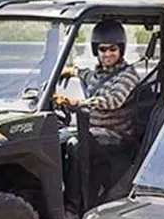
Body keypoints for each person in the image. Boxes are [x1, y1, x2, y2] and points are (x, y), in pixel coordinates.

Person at [53, 20, 144, 207]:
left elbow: (113, 100)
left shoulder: (128, 75)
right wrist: (70, 71)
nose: (107, 54)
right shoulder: (98, 74)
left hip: (118, 136)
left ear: (121, 50)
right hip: (95, 131)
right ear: (96, 50)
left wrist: (78, 102)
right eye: (103, 49)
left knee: (75, 144)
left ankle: (74, 206)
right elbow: (85, 75)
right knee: (56, 140)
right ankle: (54, 200)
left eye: (113, 49)